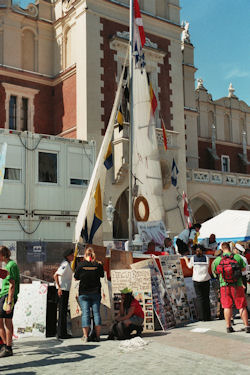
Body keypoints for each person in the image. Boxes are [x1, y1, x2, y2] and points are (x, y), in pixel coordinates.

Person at [212, 241, 250, 333]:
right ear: (230, 248)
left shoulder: (217, 260)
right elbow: (244, 269)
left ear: (221, 248)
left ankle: (228, 327)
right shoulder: (237, 257)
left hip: (224, 286)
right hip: (237, 285)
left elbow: (215, 272)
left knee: (227, 307)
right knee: (242, 306)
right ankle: (246, 326)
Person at [74, 247, 104, 343]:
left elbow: (76, 278)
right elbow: (102, 275)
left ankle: (86, 336)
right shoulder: (98, 265)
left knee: (85, 314)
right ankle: (98, 336)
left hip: (84, 293)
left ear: (85, 255)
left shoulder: (81, 265)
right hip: (96, 292)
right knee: (96, 314)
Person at [0, 246, 20, 357]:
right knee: (2, 322)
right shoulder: (7, 265)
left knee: (7, 321)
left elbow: (12, 285)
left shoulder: (11, 265)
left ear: (2, 255)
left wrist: (9, 302)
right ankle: (5, 345)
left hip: (8, 296)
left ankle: (8, 347)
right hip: (3, 294)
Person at [184, 244, 211, 321]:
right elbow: (207, 267)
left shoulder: (193, 258)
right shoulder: (206, 258)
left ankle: (201, 317)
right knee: (206, 298)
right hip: (206, 279)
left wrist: (186, 259)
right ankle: (208, 317)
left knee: (199, 298)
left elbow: (189, 266)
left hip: (197, 280)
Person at [53, 248, 74, 339]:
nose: (73, 256)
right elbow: (56, 275)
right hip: (63, 290)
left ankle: (63, 332)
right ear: (68, 256)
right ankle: (61, 333)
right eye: (72, 255)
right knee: (62, 312)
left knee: (63, 312)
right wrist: (59, 288)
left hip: (66, 289)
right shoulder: (65, 264)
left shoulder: (67, 264)